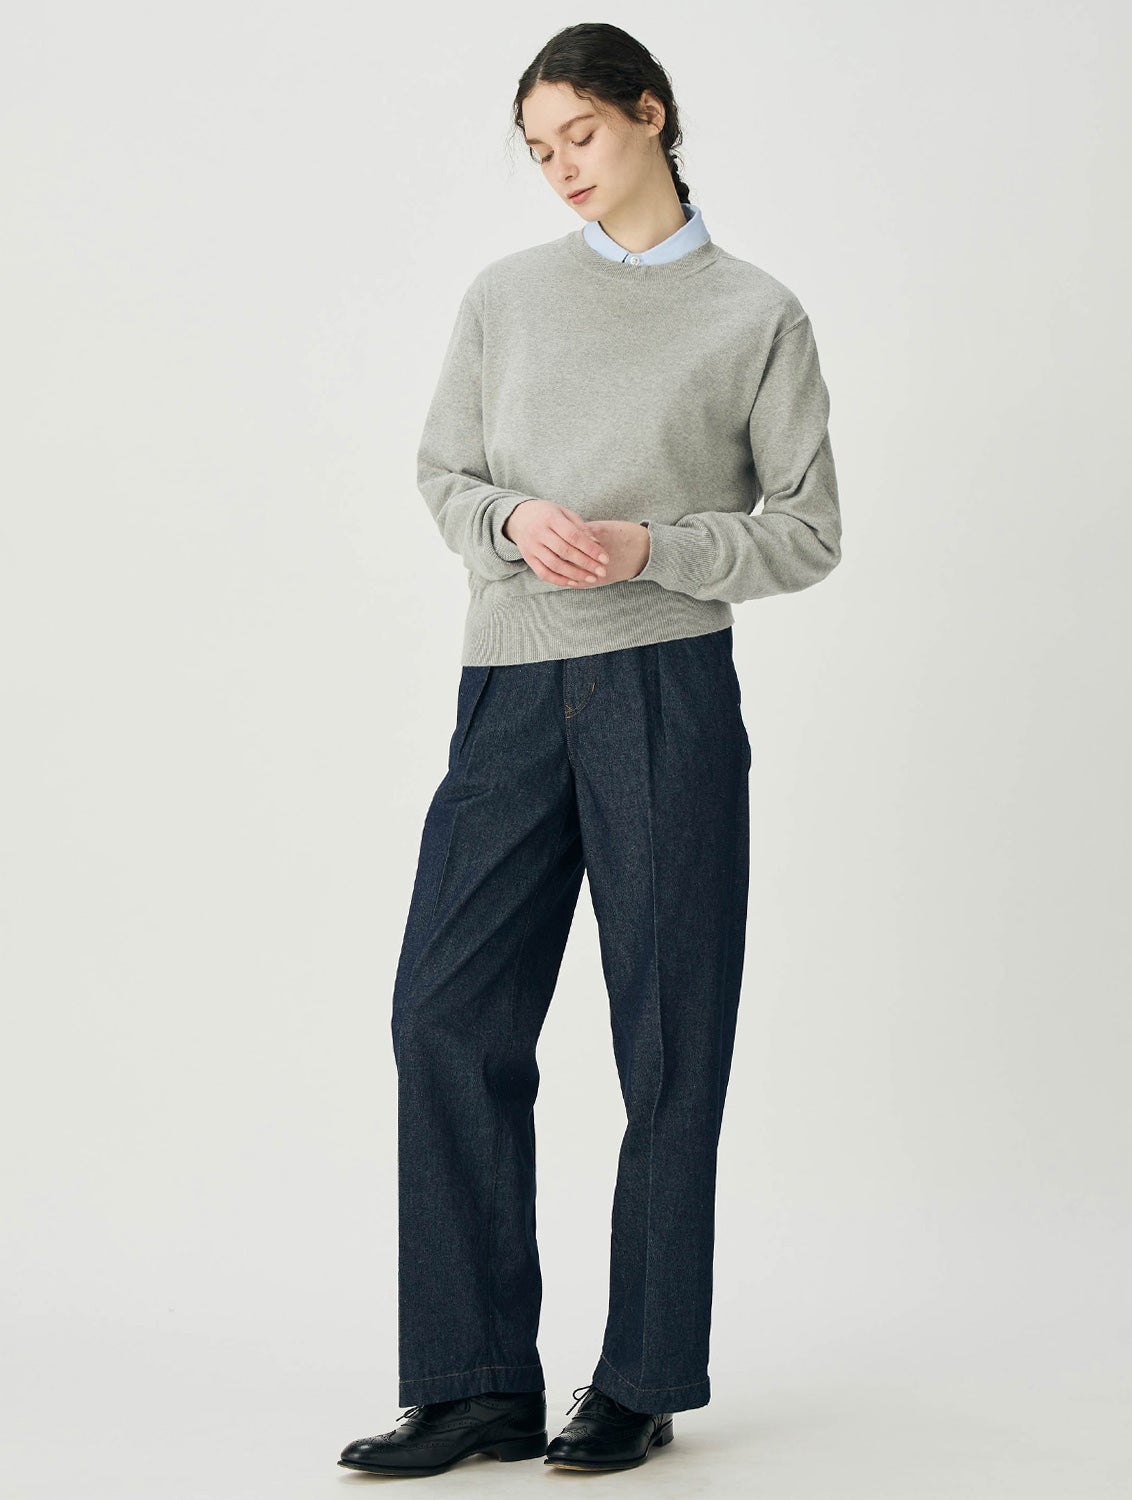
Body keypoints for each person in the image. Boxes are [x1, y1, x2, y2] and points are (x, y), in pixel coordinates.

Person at [338, 20, 842, 1479]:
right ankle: (474, 1384)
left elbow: (808, 532)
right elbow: (444, 473)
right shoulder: (505, 299)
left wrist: (649, 547)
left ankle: (640, 1378)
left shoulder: (755, 315)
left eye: (583, 134)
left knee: (668, 1039)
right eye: (538, 148)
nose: (560, 166)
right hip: (508, 687)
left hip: (664, 690)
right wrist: (508, 520)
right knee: (443, 1015)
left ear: (651, 115)